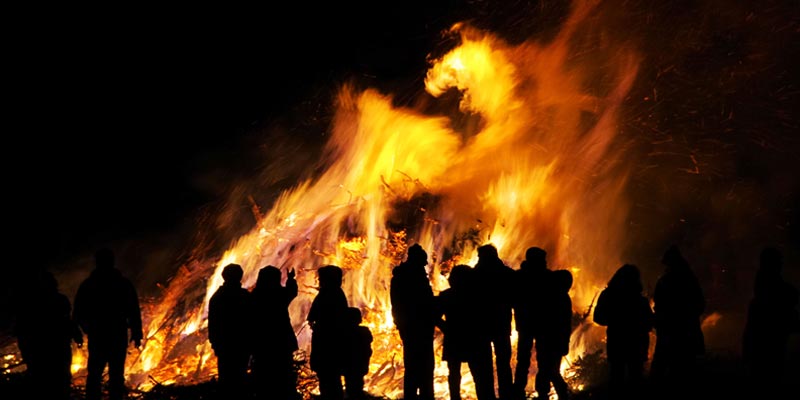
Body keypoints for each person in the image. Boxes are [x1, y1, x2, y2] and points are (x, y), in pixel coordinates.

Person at [73, 248, 143, 400]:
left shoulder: (89, 284)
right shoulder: (122, 284)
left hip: (101, 335)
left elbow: (78, 312)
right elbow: (133, 311)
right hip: (114, 334)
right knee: (113, 374)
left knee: (97, 374)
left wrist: (83, 331)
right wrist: (137, 333)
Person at [13, 270, 83, 400]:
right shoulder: (38, 303)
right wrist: (76, 335)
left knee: (48, 381)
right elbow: (23, 329)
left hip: (50, 349)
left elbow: (67, 321)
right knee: (57, 381)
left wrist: (76, 334)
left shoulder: (32, 303)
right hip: (51, 349)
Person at [742, 247, 800, 398]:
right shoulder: (772, 287)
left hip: (766, 345)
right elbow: (792, 295)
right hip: (770, 344)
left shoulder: (764, 289)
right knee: (769, 380)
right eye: (779, 262)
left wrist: (746, 350)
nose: (781, 265)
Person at [650, 245, 705, 397]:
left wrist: (663, 319)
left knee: (662, 370)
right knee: (684, 371)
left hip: (670, 333)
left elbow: (659, 304)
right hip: (687, 332)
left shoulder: (666, 281)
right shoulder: (690, 279)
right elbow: (700, 304)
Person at [593, 264, 654, 400]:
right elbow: (649, 322)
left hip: (617, 341)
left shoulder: (608, 295)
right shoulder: (640, 300)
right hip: (636, 343)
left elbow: (598, 318)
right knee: (636, 378)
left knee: (616, 377)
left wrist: (615, 320)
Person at [434, 264, 494, 400]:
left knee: (455, 373)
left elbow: (434, 316)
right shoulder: (479, 296)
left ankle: (456, 397)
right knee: (479, 375)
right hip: (475, 339)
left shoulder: (447, 295)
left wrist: (446, 328)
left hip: (456, 339)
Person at [390, 243, 436, 400]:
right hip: (417, 328)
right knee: (421, 365)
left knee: (415, 365)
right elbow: (423, 303)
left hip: (412, 327)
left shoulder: (404, 276)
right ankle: (422, 395)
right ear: (416, 260)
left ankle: (418, 394)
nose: (425, 264)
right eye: (423, 261)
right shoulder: (411, 278)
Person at [250, 265, 300, 400]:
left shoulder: (255, 296)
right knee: (283, 373)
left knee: (263, 374)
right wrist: (291, 279)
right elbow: (292, 291)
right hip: (281, 341)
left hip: (261, 342)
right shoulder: (279, 294)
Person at [473, 243, 514, 400]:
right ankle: (506, 395)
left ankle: (487, 396)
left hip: (482, 326)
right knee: (503, 363)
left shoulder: (476, 275)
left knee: (485, 365)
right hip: (501, 324)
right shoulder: (507, 274)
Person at [512, 246, 552, 399]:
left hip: (526, 324)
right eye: (542, 259)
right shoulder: (547, 277)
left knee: (525, 358)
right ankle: (541, 392)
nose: (545, 262)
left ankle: (520, 390)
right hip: (540, 324)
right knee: (541, 358)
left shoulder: (519, 277)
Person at [208, 263, 252, 399]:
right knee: (240, 379)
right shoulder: (244, 296)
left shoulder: (217, 297)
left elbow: (213, 324)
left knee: (226, 380)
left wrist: (215, 343)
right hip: (240, 345)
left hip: (225, 346)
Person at [307, 265, 349, 400]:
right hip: (328, 341)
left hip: (327, 343)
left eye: (321, 278)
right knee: (330, 378)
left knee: (329, 378)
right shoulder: (334, 293)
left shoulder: (329, 294)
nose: (319, 280)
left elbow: (315, 315)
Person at [534, 269, 573, 400]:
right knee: (549, 369)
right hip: (554, 341)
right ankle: (554, 393)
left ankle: (557, 392)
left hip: (549, 340)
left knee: (548, 370)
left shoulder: (554, 297)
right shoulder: (562, 298)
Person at [343, 307, 373, 400]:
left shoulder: (345, 333)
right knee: (357, 384)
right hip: (360, 365)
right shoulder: (364, 331)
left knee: (351, 385)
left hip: (350, 366)